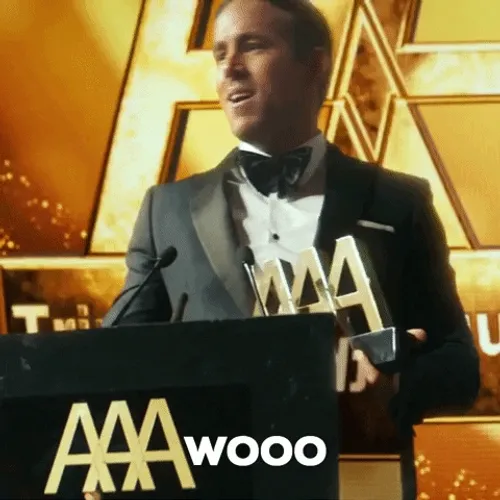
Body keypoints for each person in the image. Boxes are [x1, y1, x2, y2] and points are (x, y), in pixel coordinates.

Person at [102, 0, 480, 498]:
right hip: (214, 482)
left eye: (253, 46)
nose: (230, 68)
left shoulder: (398, 201)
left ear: (314, 65)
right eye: (219, 54)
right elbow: (116, 361)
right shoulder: (166, 211)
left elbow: (460, 368)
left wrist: (392, 383)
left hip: (359, 481)